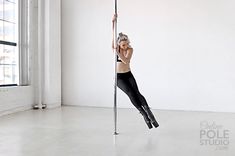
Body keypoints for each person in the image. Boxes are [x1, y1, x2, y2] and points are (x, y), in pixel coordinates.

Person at [112, 14, 159, 129]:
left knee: (137, 93)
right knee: (130, 93)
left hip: (128, 75)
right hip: (119, 77)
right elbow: (113, 35)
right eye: (123, 45)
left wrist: (117, 53)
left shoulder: (130, 49)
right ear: (119, 44)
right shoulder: (116, 47)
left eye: (127, 43)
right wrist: (113, 22)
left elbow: (126, 61)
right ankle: (144, 115)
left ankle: (150, 114)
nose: (126, 46)